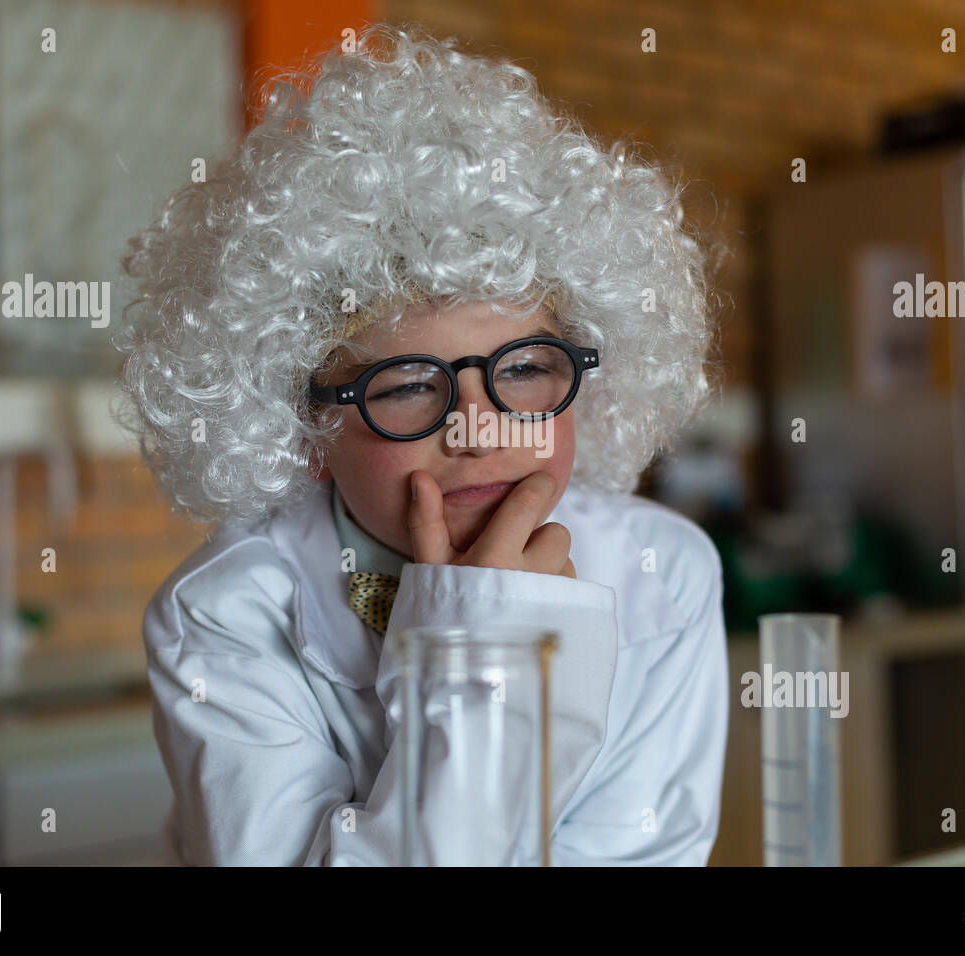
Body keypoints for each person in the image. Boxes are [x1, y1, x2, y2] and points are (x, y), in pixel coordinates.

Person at [112, 21, 729, 866]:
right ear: (307, 431)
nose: (478, 429)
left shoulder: (665, 574)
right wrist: (483, 642)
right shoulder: (228, 616)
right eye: (405, 386)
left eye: (523, 370)